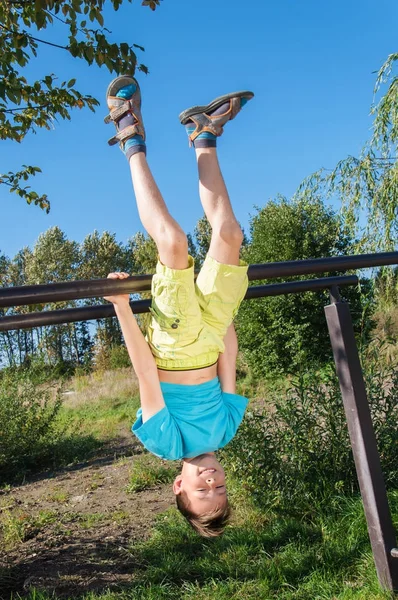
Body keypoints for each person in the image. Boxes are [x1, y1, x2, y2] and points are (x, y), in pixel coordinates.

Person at [103, 75, 254, 537]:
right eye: (221, 490)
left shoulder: (165, 442)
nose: (213, 482)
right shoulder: (227, 430)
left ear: (178, 486)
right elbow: (228, 358)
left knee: (173, 241)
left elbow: (147, 375)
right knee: (230, 236)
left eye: (202, 491)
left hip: (171, 346)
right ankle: (203, 134)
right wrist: (224, 314)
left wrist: (123, 308)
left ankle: (129, 134)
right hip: (210, 334)